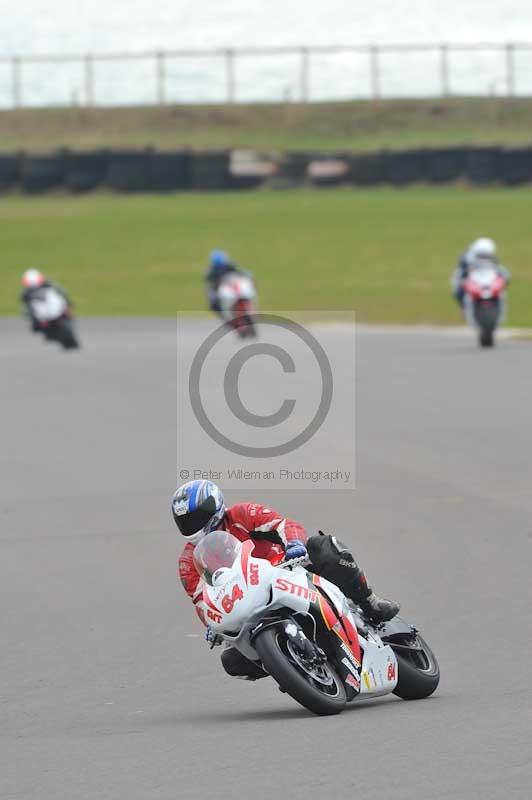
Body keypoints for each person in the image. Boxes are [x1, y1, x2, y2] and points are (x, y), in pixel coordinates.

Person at [173, 479, 399, 681]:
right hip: (248, 602)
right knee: (233, 661)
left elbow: (282, 524)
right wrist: (213, 624)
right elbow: (202, 601)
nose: (193, 525)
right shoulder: (188, 562)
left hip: (287, 570)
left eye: (196, 517)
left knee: (324, 547)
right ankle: (293, 669)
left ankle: (369, 602)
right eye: (186, 521)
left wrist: (294, 544)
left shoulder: (242, 514)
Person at [451, 238, 510, 308]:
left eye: (486, 256)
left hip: (485, 281)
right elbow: (459, 276)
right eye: (482, 256)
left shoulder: (492, 259)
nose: (484, 258)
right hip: (472, 282)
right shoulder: (466, 259)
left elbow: (502, 272)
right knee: (459, 291)